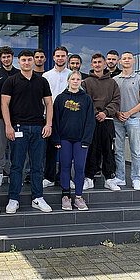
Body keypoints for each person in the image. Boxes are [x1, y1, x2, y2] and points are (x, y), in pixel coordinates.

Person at [2, 49, 53, 213]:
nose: (27, 62)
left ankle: (38, 197)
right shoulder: (11, 81)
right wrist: (8, 126)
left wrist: (49, 124)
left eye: (29, 60)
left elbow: (49, 104)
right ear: (19, 62)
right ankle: (13, 198)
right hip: (18, 127)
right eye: (23, 60)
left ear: (33, 62)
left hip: (39, 128)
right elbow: (4, 104)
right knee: (17, 165)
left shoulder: (42, 81)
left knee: (38, 166)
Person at [51, 71, 95, 211]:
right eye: (73, 79)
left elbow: (90, 121)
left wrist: (86, 140)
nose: (75, 81)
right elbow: (55, 120)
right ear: (68, 81)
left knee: (80, 168)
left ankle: (78, 197)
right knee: (64, 167)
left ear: (80, 82)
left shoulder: (86, 99)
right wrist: (56, 138)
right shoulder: (60, 98)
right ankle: (65, 197)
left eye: (78, 79)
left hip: (80, 140)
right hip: (64, 139)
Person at [82, 53, 121, 192]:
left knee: (108, 151)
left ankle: (109, 179)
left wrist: (105, 112)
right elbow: (84, 101)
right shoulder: (86, 82)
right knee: (91, 149)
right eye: (95, 62)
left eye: (100, 62)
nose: (97, 64)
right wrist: (95, 113)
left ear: (104, 64)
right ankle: (89, 178)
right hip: (91, 121)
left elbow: (116, 101)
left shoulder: (112, 82)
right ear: (91, 65)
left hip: (107, 120)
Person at [113, 52, 140, 191]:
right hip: (118, 119)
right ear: (120, 62)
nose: (126, 60)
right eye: (124, 58)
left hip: (133, 119)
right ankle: (120, 177)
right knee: (118, 150)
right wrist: (117, 112)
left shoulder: (139, 79)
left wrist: (129, 113)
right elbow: (111, 100)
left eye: (129, 58)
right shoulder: (115, 79)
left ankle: (136, 179)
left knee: (135, 151)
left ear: (133, 61)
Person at [0, 46, 20, 186]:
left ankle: (15, 174)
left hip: (17, 118)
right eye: (4, 57)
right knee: (0, 147)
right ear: (0, 59)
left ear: (12, 58)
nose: (6, 59)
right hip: (0, 117)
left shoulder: (19, 73)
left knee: (16, 147)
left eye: (8, 56)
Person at [42, 46, 71, 188]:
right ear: (53, 58)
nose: (60, 58)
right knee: (50, 149)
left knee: (67, 149)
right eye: (57, 56)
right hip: (49, 116)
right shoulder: (46, 76)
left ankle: (66, 177)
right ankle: (49, 177)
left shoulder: (72, 75)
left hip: (68, 117)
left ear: (67, 57)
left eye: (63, 56)